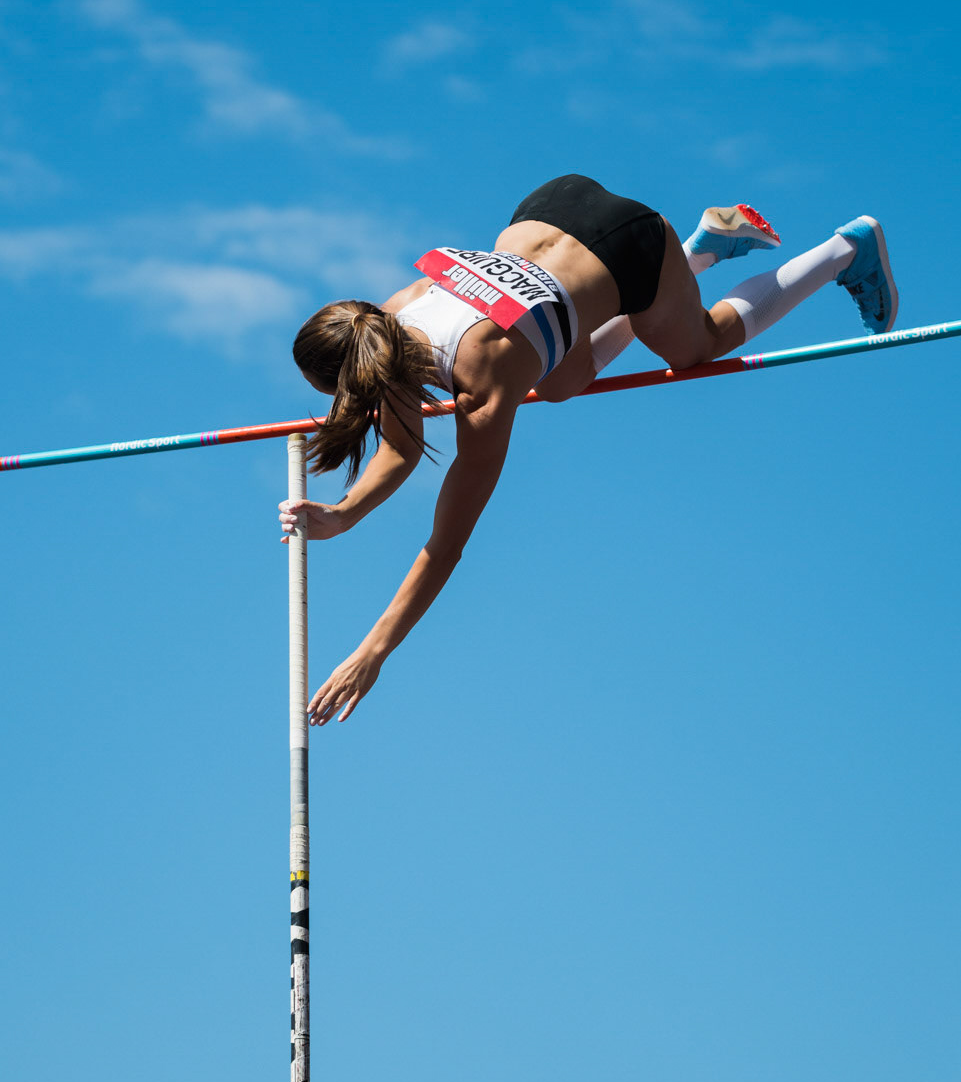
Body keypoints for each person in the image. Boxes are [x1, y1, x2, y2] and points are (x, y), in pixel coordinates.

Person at [279, 174, 897, 724]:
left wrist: (373, 651)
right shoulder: (388, 319)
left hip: (633, 246)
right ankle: (705, 246)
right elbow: (402, 449)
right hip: (550, 205)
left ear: (365, 375)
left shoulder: (486, 382)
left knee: (699, 346)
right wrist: (341, 515)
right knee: (561, 382)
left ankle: (847, 248)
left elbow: (446, 544)